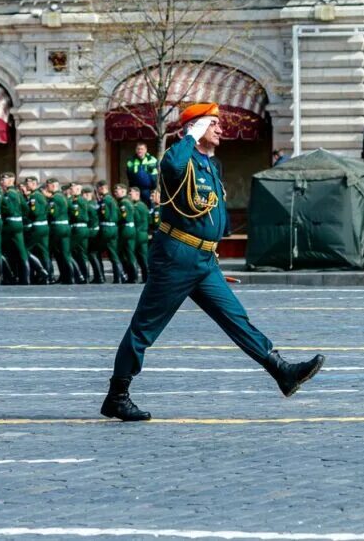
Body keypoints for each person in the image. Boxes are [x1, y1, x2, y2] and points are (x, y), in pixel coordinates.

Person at [101, 103, 326, 422]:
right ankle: (117, 395)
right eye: (212, 124)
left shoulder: (211, 165)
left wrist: (212, 254)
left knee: (236, 317)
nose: (220, 129)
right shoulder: (182, 158)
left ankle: (282, 371)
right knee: (145, 328)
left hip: (204, 260)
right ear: (194, 129)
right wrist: (189, 136)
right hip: (177, 256)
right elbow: (171, 167)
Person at [0, 172, 29, 285]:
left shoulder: (8, 194)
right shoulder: (17, 193)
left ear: (11, 180)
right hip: (18, 223)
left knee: (4, 250)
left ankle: (9, 277)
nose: (2, 181)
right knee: (20, 251)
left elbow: (8, 209)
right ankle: (25, 278)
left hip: (10, 224)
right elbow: (26, 208)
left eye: (4, 179)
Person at [94, 180, 124, 284]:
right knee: (113, 253)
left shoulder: (105, 200)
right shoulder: (112, 200)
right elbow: (119, 216)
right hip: (114, 228)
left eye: (98, 189)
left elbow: (104, 215)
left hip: (106, 228)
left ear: (101, 188)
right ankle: (119, 277)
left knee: (94, 251)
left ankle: (100, 277)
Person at [114, 183, 139, 284]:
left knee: (121, 252)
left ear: (123, 191)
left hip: (125, 229)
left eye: (117, 191)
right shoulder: (129, 202)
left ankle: (128, 276)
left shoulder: (123, 203)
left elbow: (121, 217)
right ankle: (134, 277)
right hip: (131, 228)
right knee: (130, 253)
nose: (115, 193)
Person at [125, 143, 158, 207]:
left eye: (142, 149)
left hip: (148, 190)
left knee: (149, 207)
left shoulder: (152, 160)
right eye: (138, 149)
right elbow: (129, 176)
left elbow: (155, 175)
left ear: (146, 150)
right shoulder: (131, 161)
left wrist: (154, 188)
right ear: (135, 150)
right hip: (136, 190)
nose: (140, 151)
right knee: (136, 207)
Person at [129, 186, 150, 283]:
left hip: (139, 234)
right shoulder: (141, 205)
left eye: (131, 193)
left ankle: (138, 277)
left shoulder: (138, 206)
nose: (129, 195)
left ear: (137, 194)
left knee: (139, 256)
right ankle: (144, 278)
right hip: (142, 233)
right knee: (141, 257)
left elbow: (136, 220)